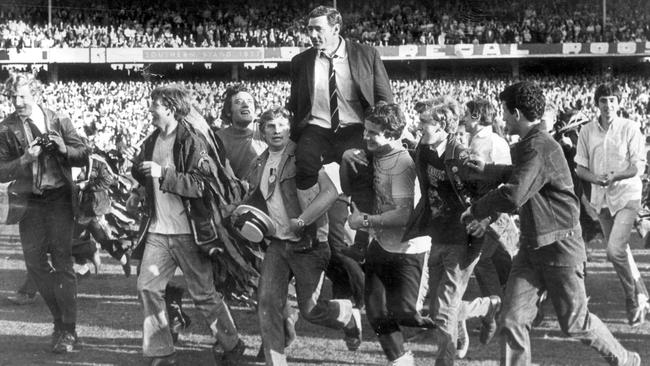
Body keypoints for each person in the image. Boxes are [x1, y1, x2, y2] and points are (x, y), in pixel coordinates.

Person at [462, 81, 641, 366]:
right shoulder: (533, 144)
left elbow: (515, 194)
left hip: (560, 247)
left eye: (505, 113)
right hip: (533, 247)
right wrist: (488, 171)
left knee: (575, 323)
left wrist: (477, 208)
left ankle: (625, 359)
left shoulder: (540, 146)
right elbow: (522, 174)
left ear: (517, 113)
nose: (502, 118)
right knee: (512, 320)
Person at [129, 84, 245, 366]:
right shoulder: (152, 140)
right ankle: (161, 352)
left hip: (189, 232)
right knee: (147, 286)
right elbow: (142, 170)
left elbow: (203, 185)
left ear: (169, 106)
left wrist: (163, 174)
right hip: (158, 230)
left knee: (204, 295)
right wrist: (139, 188)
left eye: (154, 104)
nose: (150, 109)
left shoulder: (192, 139)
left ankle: (232, 343)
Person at [247, 106, 361, 366]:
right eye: (270, 126)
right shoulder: (259, 162)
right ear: (262, 132)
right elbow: (258, 199)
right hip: (277, 244)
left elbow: (330, 192)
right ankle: (276, 362)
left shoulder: (303, 157)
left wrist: (303, 219)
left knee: (311, 311)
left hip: (308, 243)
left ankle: (347, 314)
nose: (276, 131)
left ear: (290, 128)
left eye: (281, 125)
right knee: (266, 303)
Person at [399, 97, 501, 365]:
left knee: (444, 313)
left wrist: (486, 220)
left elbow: (495, 193)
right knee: (438, 311)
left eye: (424, 122)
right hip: (436, 235)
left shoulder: (464, 157)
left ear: (443, 125)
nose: (418, 125)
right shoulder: (424, 149)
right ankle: (488, 306)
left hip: (463, 238)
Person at [287, 5, 392, 255]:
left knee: (361, 172)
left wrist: (381, 133)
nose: (312, 35)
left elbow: (384, 99)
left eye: (318, 29)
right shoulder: (300, 62)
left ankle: (361, 241)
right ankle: (311, 232)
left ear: (336, 28)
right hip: (318, 127)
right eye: (309, 29)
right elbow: (295, 104)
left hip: (355, 127)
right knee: (303, 163)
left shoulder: (366, 54)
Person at [0, 72, 89, 353]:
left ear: (35, 94)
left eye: (23, 96)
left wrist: (63, 148)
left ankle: (68, 330)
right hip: (31, 202)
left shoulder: (57, 119)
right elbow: (1, 171)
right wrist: (25, 159)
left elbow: (83, 153)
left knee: (62, 261)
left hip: (60, 197)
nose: (17, 102)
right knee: (35, 264)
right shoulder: (6, 128)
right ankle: (61, 322)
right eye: (13, 96)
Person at [344, 103, 434, 366]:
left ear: (393, 134)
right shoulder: (376, 154)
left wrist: (365, 220)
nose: (366, 136)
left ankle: (464, 313)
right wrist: (349, 158)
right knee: (374, 309)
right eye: (366, 130)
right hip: (381, 246)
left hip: (409, 250)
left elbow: (404, 215)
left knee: (406, 315)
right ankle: (400, 360)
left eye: (373, 133)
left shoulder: (402, 165)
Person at [575, 82, 649, 326]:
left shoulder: (630, 127)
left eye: (612, 100)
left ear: (619, 103)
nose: (608, 105)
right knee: (621, 250)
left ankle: (632, 295)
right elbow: (580, 168)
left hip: (628, 194)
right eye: (604, 100)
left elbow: (638, 167)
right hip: (602, 199)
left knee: (614, 250)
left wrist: (615, 176)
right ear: (597, 103)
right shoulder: (586, 131)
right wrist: (595, 178)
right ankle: (641, 294)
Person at [215, 84, 266, 179]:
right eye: (238, 102)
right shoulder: (218, 139)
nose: (246, 105)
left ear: (255, 110)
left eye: (250, 102)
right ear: (228, 111)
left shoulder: (266, 132)